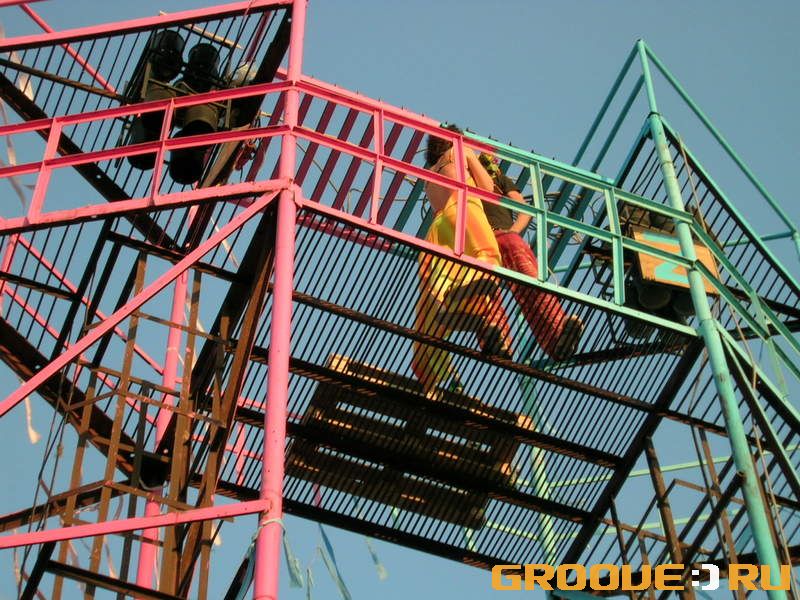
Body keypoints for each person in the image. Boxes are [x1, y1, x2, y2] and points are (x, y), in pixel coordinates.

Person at [411, 126, 512, 395]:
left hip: (438, 226)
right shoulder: (461, 150)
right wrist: (472, 158)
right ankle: (465, 299)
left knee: (438, 285)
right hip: (464, 207)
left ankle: (432, 371)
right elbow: (488, 189)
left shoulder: (429, 173)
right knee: (488, 257)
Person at [478, 152, 584, 360]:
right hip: (479, 239)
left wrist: (513, 232)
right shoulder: (462, 176)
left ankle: (558, 338)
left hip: (502, 235)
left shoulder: (498, 178)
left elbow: (523, 208)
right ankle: (497, 340)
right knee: (482, 286)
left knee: (529, 281)